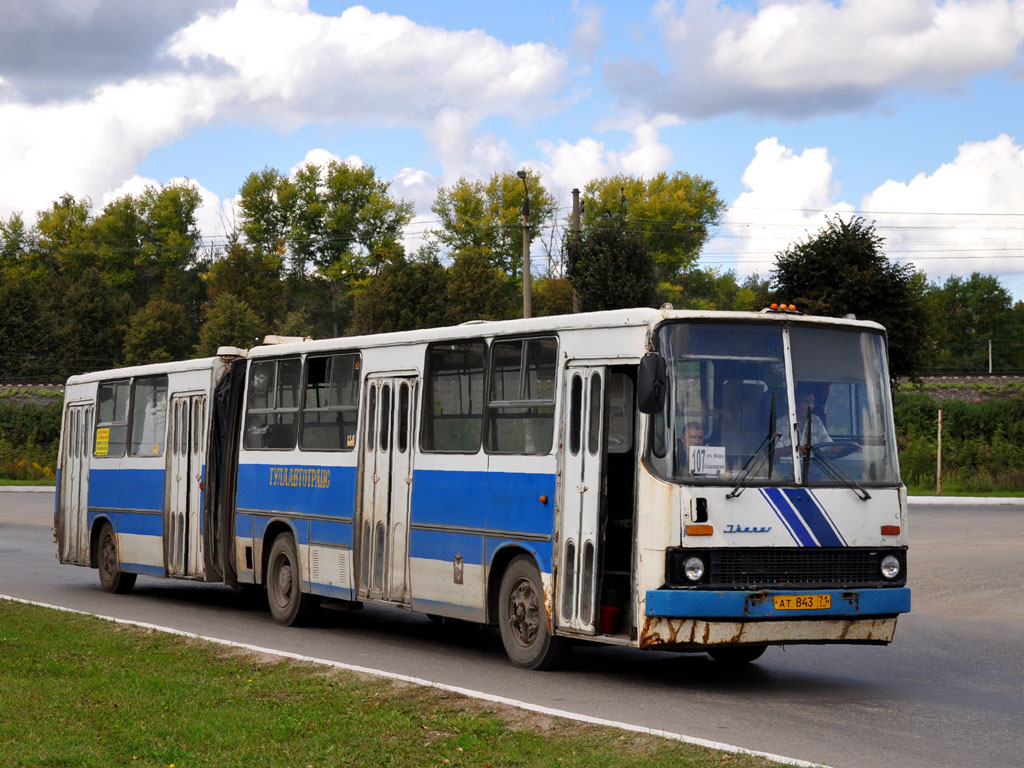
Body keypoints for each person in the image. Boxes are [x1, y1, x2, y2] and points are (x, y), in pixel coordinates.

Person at [778, 385, 831, 450]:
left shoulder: (816, 421)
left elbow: (828, 445)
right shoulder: (781, 423)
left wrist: (844, 447)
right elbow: (776, 452)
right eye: (806, 402)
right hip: (790, 460)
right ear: (795, 404)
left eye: (812, 402)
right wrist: (799, 450)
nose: (810, 406)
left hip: (813, 460)